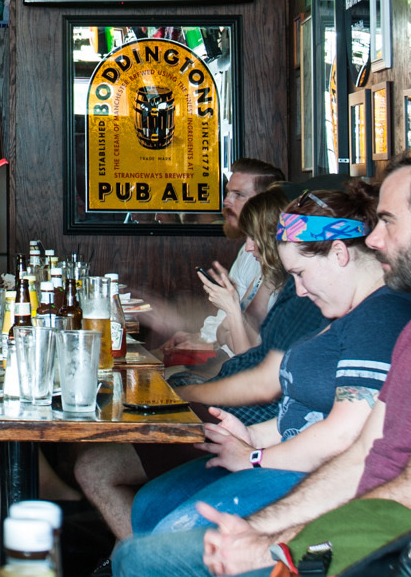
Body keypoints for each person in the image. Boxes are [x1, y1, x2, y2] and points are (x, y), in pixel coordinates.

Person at [115, 152, 411, 577]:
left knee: (140, 558)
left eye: (389, 221)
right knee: (143, 548)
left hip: (396, 548)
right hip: (354, 518)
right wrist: (258, 529)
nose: (374, 238)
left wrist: (276, 545)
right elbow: (361, 454)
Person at [76, 186, 323, 540]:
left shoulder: (301, 295)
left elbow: (263, 379)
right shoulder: (289, 287)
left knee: (98, 465)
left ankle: (142, 557)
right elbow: (241, 352)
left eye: (254, 237)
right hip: (237, 416)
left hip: (237, 418)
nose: (248, 247)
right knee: (107, 447)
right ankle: (136, 557)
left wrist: (192, 383)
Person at [128, 158, 285, 355]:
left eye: (239, 195)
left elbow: (249, 346)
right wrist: (199, 335)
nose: (226, 201)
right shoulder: (248, 254)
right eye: (228, 192)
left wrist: (210, 344)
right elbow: (230, 318)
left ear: (265, 203)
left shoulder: (278, 265)